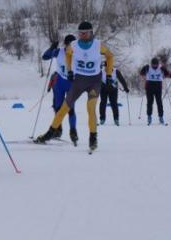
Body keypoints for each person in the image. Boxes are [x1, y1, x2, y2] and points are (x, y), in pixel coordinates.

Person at [35, 21, 115, 152]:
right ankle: (49, 133)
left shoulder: (98, 45)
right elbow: (67, 54)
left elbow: (110, 56)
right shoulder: (73, 45)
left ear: (91, 32)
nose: (82, 35)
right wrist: (70, 70)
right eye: (80, 33)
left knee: (90, 108)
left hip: (94, 81)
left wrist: (109, 74)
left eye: (85, 33)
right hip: (79, 81)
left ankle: (93, 138)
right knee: (64, 108)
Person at [42, 34, 78, 144]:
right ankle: (58, 130)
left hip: (72, 83)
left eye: (73, 45)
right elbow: (45, 56)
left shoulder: (78, 53)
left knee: (70, 108)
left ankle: (73, 131)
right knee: (57, 107)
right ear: (65, 44)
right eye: (69, 45)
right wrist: (52, 48)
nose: (71, 48)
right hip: (60, 82)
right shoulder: (60, 51)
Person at [139, 57, 170, 125]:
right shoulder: (148, 68)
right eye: (153, 65)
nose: (155, 66)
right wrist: (144, 68)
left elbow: (167, 74)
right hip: (149, 86)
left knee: (159, 103)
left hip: (158, 86)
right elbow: (141, 73)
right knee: (150, 103)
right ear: (151, 64)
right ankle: (149, 116)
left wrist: (164, 70)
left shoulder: (160, 68)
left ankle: (161, 117)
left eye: (156, 64)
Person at [98, 61, 129, 126]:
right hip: (104, 89)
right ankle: (102, 119)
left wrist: (125, 88)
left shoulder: (116, 71)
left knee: (114, 103)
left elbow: (122, 79)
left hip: (113, 89)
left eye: (109, 67)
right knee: (103, 103)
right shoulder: (101, 71)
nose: (107, 68)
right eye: (106, 67)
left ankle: (116, 119)